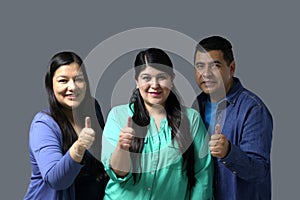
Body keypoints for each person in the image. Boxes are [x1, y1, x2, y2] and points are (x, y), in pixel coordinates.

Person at [101, 47, 213, 200]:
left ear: (172, 79)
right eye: (146, 77)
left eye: (162, 77)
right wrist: (122, 147)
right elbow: (117, 174)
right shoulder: (118, 116)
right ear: (136, 81)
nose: (155, 85)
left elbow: (202, 175)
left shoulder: (191, 119)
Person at [192, 35, 273, 200]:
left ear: (232, 68)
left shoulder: (252, 109)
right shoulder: (196, 105)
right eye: (200, 66)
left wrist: (228, 152)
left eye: (215, 66)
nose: (206, 74)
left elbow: (259, 171)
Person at [24, 51, 108, 200]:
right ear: (51, 85)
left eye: (78, 79)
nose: (72, 87)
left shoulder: (92, 108)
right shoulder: (43, 124)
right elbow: (56, 180)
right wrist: (79, 147)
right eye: (63, 81)